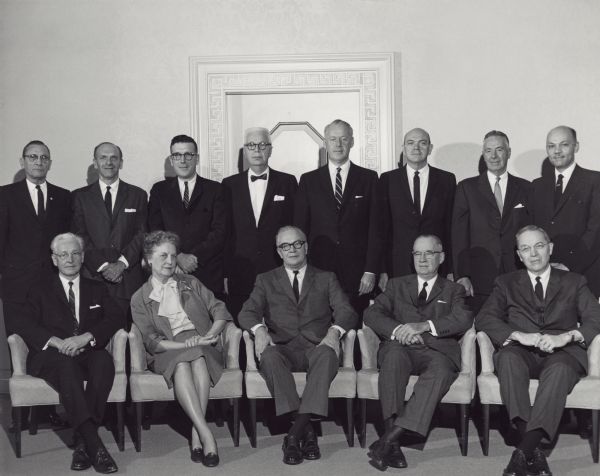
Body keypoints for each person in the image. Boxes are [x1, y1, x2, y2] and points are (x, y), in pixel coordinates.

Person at [475, 225, 600, 476]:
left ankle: (523, 452)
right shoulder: (505, 282)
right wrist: (517, 335)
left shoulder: (574, 281)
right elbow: (485, 318)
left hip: (563, 352)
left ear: (550, 248)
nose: (533, 254)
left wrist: (566, 337)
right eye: (525, 248)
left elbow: (595, 319)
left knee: (560, 368)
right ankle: (533, 450)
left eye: (539, 246)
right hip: (521, 350)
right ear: (519, 255)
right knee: (508, 358)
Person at [238, 225, 357, 465]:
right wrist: (259, 330)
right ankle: (308, 432)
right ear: (279, 252)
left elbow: (346, 311)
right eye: (285, 246)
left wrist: (334, 332)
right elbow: (246, 312)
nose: (291, 249)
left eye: (297, 244)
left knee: (327, 355)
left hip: (317, 346)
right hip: (283, 348)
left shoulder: (326, 277)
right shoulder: (266, 279)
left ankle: (292, 436)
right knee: (269, 357)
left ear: (306, 247)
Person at [12, 233, 124, 473]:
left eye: (75, 253)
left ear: (83, 257)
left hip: (85, 349)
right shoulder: (39, 288)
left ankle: (83, 443)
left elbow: (115, 316)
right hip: (52, 355)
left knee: (104, 361)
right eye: (63, 254)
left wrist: (86, 337)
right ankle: (95, 446)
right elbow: (23, 322)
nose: (70, 259)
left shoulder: (97, 288)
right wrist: (55, 342)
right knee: (66, 366)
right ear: (54, 259)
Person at [364, 234, 472, 471]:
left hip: (437, 351)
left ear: (441, 257)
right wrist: (398, 329)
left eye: (429, 253)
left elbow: (463, 318)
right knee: (392, 359)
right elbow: (372, 314)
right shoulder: (396, 284)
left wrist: (425, 326)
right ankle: (392, 445)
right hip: (399, 346)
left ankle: (389, 439)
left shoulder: (454, 289)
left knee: (441, 372)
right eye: (417, 253)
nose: (422, 259)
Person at [130, 230, 232, 467]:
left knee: (194, 359)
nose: (169, 261)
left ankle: (198, 432)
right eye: (163, 256)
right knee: (185, 360)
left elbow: (219, 310)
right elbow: (152, 340)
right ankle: (205, 434)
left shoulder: (191, 282)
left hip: (202, 343)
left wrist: (210, 334)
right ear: (147, 260)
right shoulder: (139, 298)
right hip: (167, 349)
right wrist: (184, 344)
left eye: (173, 256)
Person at [294, 119, 381, 316]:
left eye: (343, 139)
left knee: (354, 328)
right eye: (333, 139)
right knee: (319, 327)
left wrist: (370, 270)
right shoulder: (308, 181)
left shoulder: (369, 178)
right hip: (318, 270)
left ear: (352, 142)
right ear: (325, 143)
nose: (338, 144)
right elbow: (300, 229)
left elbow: (376, 229)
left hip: (358, 274)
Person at [222, 127, 297, 321]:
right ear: (245, 150)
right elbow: (225, 233)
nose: (257, 150)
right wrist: (225, 272)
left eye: (262, 145)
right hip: (240, 270)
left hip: (277, 268)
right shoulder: (229, 185)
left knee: (280, 324)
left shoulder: (288, 182)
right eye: (251, 145)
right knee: (242, 324)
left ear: (270, 149)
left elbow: (294, 227)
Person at [452, 131, 531, 312]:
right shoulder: (466, 188)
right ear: (483, 154)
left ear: (508, 152)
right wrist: (462, 275)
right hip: (479, 278)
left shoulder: (526, 187)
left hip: (517, 276)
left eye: (499, 150)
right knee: (483, 331)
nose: (493, 156)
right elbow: (458, 236)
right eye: (488, 151)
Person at [0, 140, 71, 334]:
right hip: (16, 285)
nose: (38, 161)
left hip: (52, 284)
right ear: (22, 162)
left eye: (43, 157)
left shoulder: (64, 196)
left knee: (52, 342)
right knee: (17, 342)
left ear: (49, 163)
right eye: (33, 157)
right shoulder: (5, 195)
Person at [72, 142, 147, 321]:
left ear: (121, 162)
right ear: (95, 163)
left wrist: (121, 265)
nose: (109, 162)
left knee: (128, 336)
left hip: (128, 279)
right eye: (103, 157)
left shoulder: (138, 195)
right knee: (95, 335)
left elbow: (142, 234)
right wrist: (104, 267)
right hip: (93, 277)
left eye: (114, 158)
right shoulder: (79, 196)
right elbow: (79, 236)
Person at [148, 135, 227, 298]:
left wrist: (195, 257)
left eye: (188, 155)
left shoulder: (216, 189)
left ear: (196, 158)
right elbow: (155, 230)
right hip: (169, 271)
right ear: (171, 160)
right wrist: (178, 256)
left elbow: (220, 232)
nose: (183, 160)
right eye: (177, 155)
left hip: (207, 274)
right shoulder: (159, 191)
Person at [378, 128, 455, 291]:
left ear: (430, 148)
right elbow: (382, 228)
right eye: (410, 143)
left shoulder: (446, 179)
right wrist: (382, 269)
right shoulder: (387, 180)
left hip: (436, 265)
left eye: (422, 143)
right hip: (398, 265)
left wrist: (451, 269)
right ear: (404, 148)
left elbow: (451, 227)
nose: (416, 148)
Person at [529, 126, 600, 297]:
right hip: (545, 276)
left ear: (576, 147)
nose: (557, 151)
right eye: (551, 146)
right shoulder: (537, 186)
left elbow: (595, 231)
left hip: (583, 274)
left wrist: (568, 265)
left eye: (564, 145)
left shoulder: (594, 180)